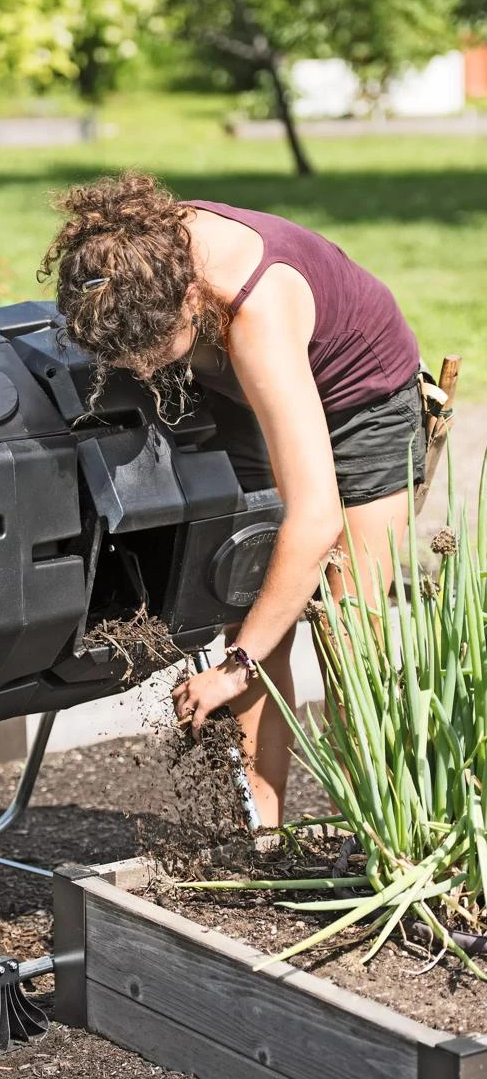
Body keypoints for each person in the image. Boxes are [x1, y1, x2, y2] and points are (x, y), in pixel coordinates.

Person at [39, 171, 426, 827]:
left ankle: (377, 832)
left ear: (193, 297)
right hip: (239, 393)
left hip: (361, 403)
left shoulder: (256, 308)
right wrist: (245, 648)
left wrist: (235, 668)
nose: (146, 375)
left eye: (157, 357)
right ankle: (262, 836)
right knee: (246, 597)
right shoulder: (126, 261)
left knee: (347, 624)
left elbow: (316, 517)